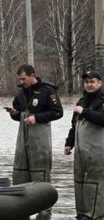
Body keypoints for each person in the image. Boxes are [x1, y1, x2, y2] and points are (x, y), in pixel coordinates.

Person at [8, 64, 63, 220]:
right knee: (20, 175)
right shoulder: (21, 94)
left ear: (33, 75)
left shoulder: (47, 91)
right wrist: (14, 114)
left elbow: (58, 112)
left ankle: (45, 212)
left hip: (40, 139)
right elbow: (17, 111)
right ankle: (22, 210)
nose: (21, 82)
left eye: (24, 79)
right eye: (19, 79)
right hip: (23, 139)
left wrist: (37, 118)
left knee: (40, 175)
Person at [64, 70, 104, 220]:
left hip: (98, 151)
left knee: (95, 182)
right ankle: (81, 214)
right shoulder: (81, 101)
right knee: (79, 181)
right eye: (87, 82)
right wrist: (69, 143)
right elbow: (74, 125)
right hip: (81, 152)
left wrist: (85, 111)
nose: (89, 84)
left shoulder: (102, 101)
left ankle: (94, 215)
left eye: (92, 81)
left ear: (100, 83)